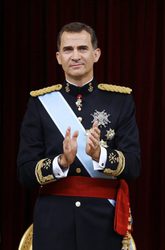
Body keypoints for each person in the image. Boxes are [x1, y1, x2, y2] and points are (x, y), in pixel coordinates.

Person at [17, 21, 141, 250]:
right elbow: (25, 172)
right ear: (58, 57)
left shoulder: (120, 101)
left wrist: (99, 154)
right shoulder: (40, 104)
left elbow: (133, 166)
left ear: (96, 54)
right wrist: (61, 162)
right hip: (54, 219)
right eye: (68, 49)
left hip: (102, 221)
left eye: (82, 48)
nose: (75, 56)